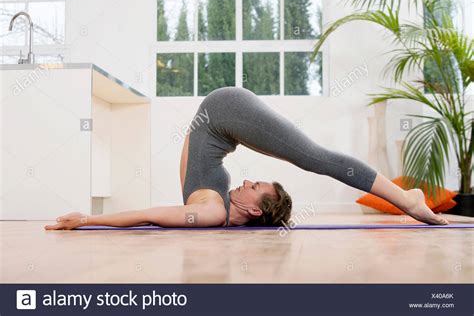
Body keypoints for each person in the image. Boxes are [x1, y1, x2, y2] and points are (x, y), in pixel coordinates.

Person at [45, 87, 449, 230]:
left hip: (223, 113)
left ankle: (408, 199)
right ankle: (406, 198)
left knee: (312, 157)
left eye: (255, 187)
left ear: (253, 210)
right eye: (256, 183)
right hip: (219, 119)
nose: (248, 181)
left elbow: (148, 215)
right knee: (310, 157)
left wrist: (87, 219)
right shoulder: (218, 209)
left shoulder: (207, 215)